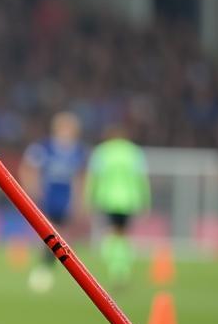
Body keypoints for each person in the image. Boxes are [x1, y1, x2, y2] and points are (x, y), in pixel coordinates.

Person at [19, 111, 86, 294]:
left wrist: (78, 199)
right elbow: (28, 168)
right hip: (47, 196)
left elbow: (80, 177)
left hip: (66, 198)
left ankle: (48, 268)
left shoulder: (78, 151)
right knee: (49, 235)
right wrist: (32, 189)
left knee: (61, 236)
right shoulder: (44, 147)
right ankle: (45, 268)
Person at [84, 124, 150, 286]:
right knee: (123, 232)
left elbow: (93, 177)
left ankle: (113, 262)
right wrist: (146, 200)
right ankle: (121, 266)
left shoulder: (102, 151)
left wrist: (88, 197)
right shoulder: (134, 152)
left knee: (113, 231)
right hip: (129, 199)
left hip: (107, 198)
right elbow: (142, 178)